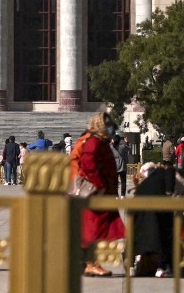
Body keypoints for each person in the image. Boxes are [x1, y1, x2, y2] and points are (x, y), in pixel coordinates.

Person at [71, 113, 125, 277]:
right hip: (96, 194)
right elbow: (89, 166)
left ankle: (84, 262)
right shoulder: (93, 142)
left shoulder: (99, 141)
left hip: (103, 192)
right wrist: (100, 188)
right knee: (94, 230)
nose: (110, 129)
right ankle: (91, 263)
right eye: (107, 125)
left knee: (97, 229)